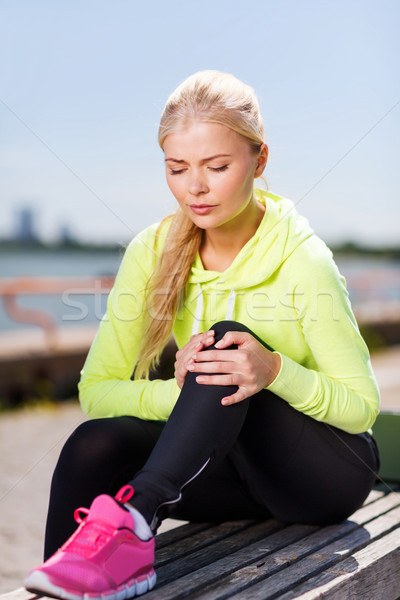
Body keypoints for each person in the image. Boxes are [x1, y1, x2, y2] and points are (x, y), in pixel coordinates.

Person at [25, 70, 380, 600]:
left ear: (259, 162)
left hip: (319, 480)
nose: (195, 186)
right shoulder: (151, 251)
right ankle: (68, 579)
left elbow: (361, 409)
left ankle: (137, 521)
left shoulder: (304, 259)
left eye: (217, 166)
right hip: (222, 476)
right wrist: (182, 388)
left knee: (227, 342)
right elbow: (97, 390)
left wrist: (275, 371)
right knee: (94, 443)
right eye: (177, 168)